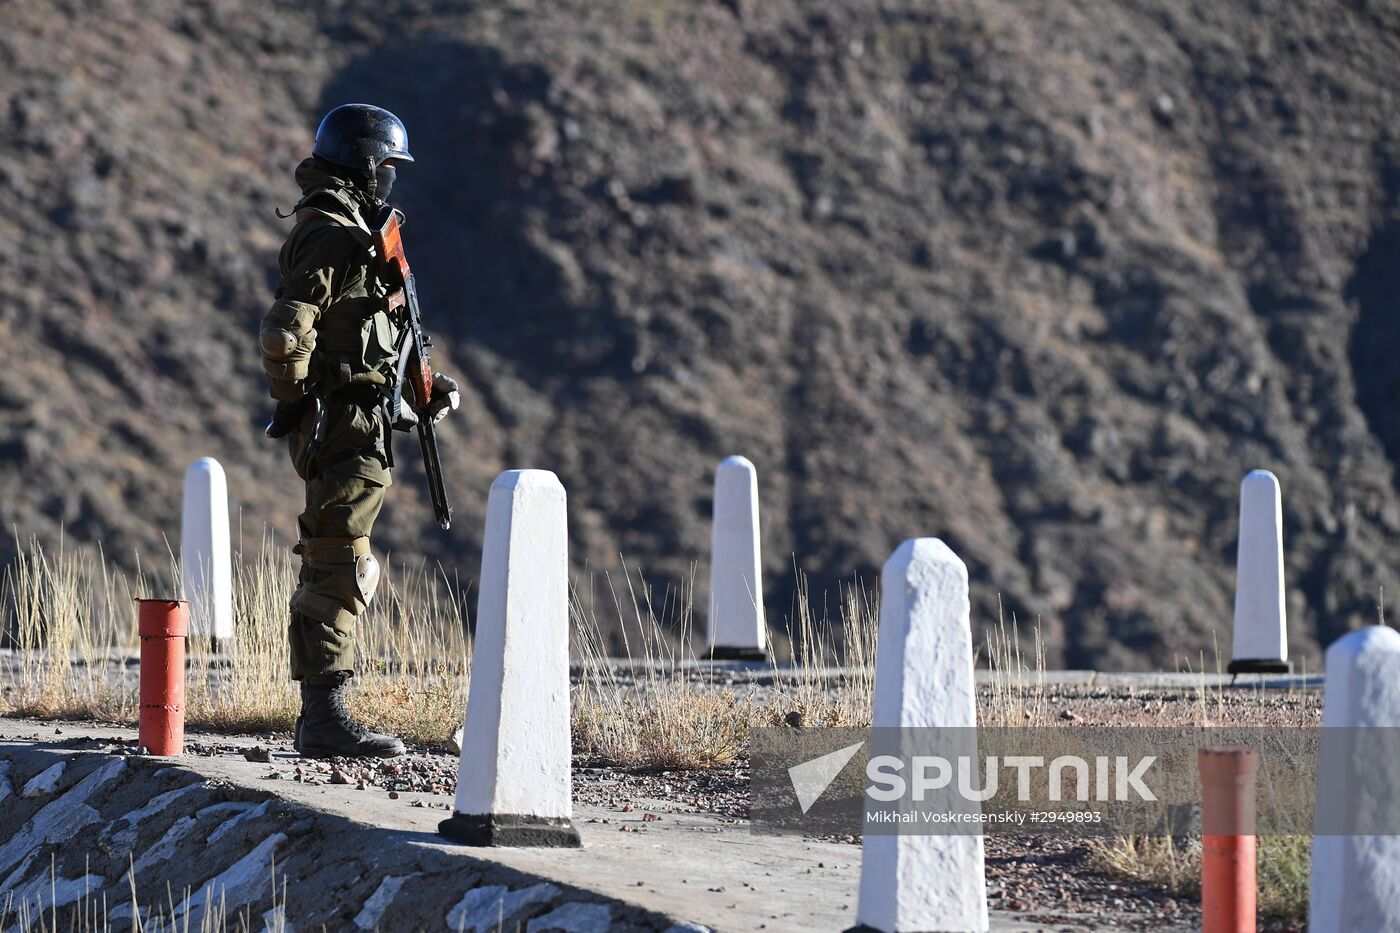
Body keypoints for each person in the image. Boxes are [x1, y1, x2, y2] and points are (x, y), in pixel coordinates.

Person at [258, 103, 460, 758]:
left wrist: (419, 390)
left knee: (342, 554)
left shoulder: (354, 229)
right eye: (387, 167)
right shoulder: (335, 232)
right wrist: (297, 403)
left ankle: (323, 710)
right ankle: (323, 715)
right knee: (338, 558)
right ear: (367, 164)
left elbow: (372, 331)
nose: (392, 180)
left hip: (362, 417)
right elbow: (288, 330)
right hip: (343, 418)